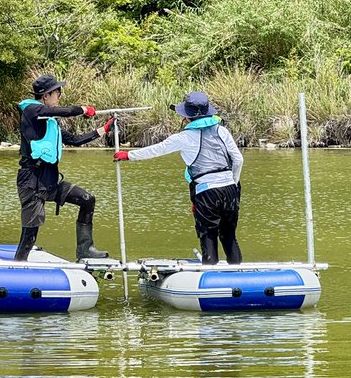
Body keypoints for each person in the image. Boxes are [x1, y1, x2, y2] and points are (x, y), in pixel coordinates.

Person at [114, 91, 243, 265]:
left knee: (208, 236)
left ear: (186, 116)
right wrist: (234, 184)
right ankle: (237, 271)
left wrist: (128, 156)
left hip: (207, 194)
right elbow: (238, 160)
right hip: (229, 190)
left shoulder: (183, 138)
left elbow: (156, 150)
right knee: (229, 236)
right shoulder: (222, 131)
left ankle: (210, 275)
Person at [16, 73, 112, 262]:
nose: (59, 95)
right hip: (31, 182)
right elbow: (61, 111)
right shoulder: (31, 111)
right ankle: (18, 266)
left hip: (50, 181)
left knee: (87, 200)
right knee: (30, 235)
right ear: (46, 96)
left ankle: (85, 249)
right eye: (57, 92)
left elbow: (76, 140)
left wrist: (104, 130)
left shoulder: (50, 123)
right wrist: (83, 109)